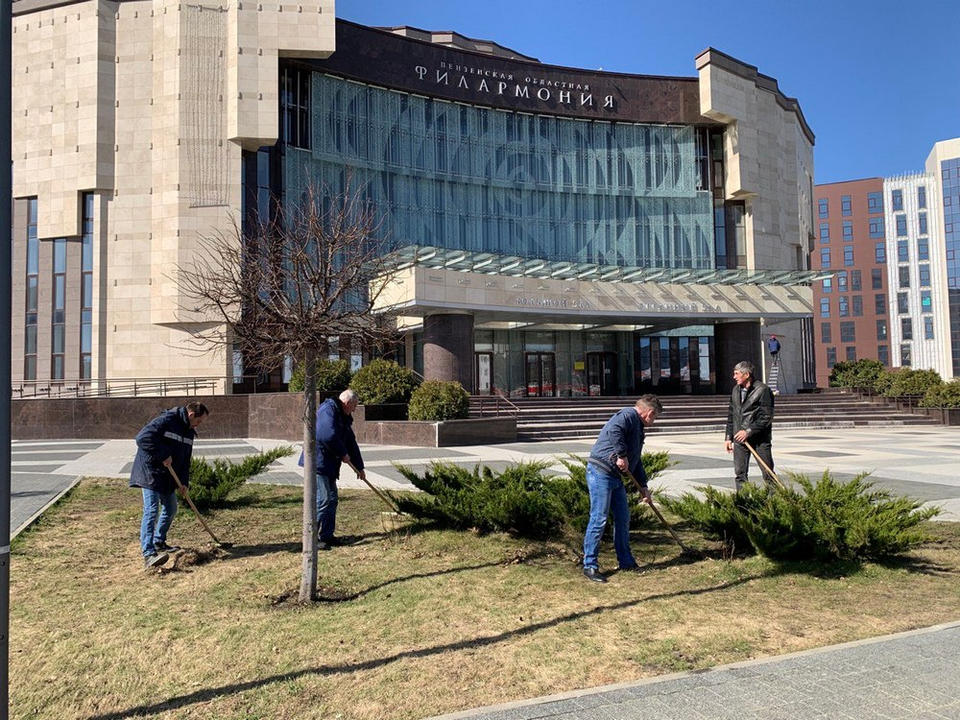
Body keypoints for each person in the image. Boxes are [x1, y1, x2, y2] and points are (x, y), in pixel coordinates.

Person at [582, 394, 663, 583]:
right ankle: (590, 565)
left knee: (623, 518)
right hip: (600, 471)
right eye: (655, 417)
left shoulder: (638, 427)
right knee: (599, 518)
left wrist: (643, 486)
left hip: (615, 476)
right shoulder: (627, 415)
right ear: (649, 413)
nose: (654, 420)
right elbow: (614, 431)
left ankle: (626, 561)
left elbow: (636, 461)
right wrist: (621, 455)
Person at [130, 401, 209, 569]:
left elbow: (185, 460)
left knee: (171, 508)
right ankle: (148, 554)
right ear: (191, 415)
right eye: (199, 421)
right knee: (151, 510)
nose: (199, 425)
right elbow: (142, 438)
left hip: (167, 475)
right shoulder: (167, 420)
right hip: (150, 471)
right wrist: (163, 454)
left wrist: (184, 482)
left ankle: (159, 541)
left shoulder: (188, 432)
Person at [298, 388, 365, 550]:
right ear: (347, 403)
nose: (355, 409)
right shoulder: (328, 410)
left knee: (332, 499)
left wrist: (359, 467)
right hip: (317, 463)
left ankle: (327, 536)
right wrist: (342, 453)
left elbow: (351, 442)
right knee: (324, 499)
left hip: (329, 465)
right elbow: (325, 434)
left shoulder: (343, 416)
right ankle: (312, 539)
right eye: (354, 406)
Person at [724, 361, 775, 491]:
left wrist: (748, 431)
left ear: (746, 374)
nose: (734, 377)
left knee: (768, 472)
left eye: (737, 374)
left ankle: (775, 502)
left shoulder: (763, 390)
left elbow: (766, 417)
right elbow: (732, 414)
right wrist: (728, 437)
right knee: (740, 474)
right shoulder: (735, 390)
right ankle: (743, 504)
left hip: (759, 440)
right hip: (739, 439)